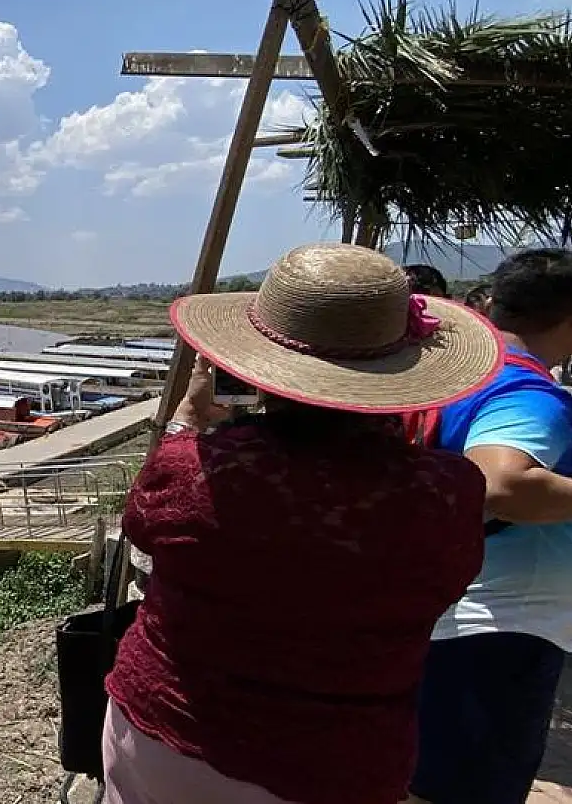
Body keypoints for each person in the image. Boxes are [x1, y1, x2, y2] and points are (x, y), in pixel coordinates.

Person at [103, 243, 503, 804]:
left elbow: (145, 524)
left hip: (165, 729)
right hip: (335, 764)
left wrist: (190, 419)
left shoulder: (199, 468)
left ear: (254, 368)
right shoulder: (447, 491)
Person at [411, 248, 572, 804]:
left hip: (445, 618)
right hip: (499, 629)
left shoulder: (457, 379)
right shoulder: (525, 392)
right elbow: (502, 486)